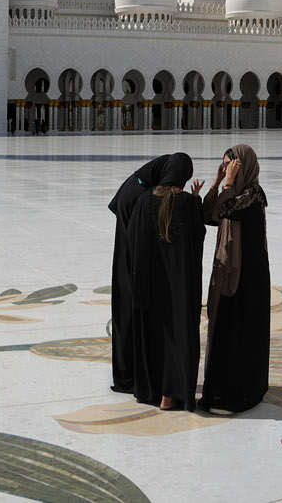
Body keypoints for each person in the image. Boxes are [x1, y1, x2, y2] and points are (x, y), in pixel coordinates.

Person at [124, 152, 204, 409]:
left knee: (153, 335)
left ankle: (151, 389)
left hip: (147, 288)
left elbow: (132, 240)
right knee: (177, 335)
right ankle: (171, 394)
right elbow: (197, 238)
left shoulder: (144, 200)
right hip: (178, 290)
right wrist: (196, 200)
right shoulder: (188, 205)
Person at [199, 144, 271, 415]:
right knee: (224, 331)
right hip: (230, 272)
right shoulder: (236, 193)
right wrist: (217, 183)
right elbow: (209, 215)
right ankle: (221, 386)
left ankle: (243, 390)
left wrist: (227, 184)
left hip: (247, 279)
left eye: (231, 166)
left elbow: (227, 209)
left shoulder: (253, 194)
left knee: (241, 332)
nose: (228, 170)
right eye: (225, 166)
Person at [106, 153, 184, 395]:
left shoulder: (136, 184)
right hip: (132, 268)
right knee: (131, 316)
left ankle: (129, 372)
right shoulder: (140, 197)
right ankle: (131, 375)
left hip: (126, 266)